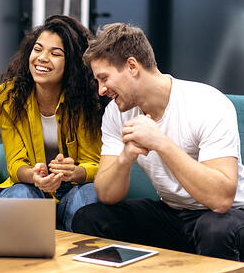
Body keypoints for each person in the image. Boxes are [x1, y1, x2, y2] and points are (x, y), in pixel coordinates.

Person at [72, 23, 244, 260]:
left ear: (132, 66)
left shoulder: (207, 103)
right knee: (90, 218)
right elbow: (107, 195)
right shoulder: (116, 112)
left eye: (104, 78)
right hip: (172, 214)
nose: (101, 90)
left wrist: (160, 143)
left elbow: (221, 199)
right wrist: (125, 158)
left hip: (229, 215)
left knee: (214, 229)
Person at [0, 15, 107, 231]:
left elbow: (95, 163)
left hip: (75, 187)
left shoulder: (87, 100)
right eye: (38, 49)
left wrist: (75, 172)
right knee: (19, 195)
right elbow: (15, 164)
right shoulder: (8, 96)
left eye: (55, 53)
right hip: (31, 186)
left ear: (72, 63)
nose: (42, 58)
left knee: (90, 196)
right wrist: (35, 176)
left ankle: (76, 262)